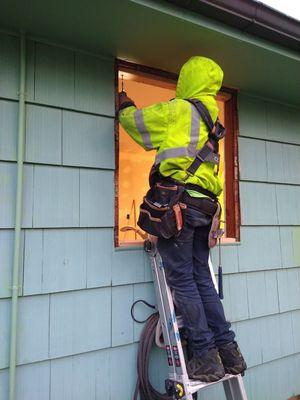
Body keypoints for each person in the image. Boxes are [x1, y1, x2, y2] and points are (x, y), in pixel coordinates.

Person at [118, 56, 247, 382]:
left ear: (187, 81)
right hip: (206, 210)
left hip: (180, 207)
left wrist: (124, 106)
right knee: (202, 278)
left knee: (184, 281)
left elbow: (139, 126)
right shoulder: (214, 122)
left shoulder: (179, 110)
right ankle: (229, 352)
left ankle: (205, 356)